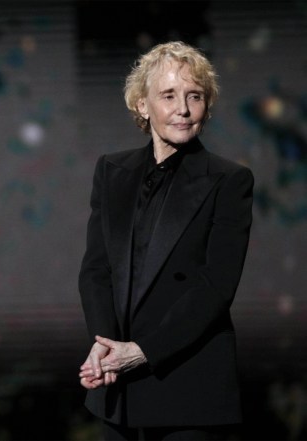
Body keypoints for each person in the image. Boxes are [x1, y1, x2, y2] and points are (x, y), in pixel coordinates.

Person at [77, 41, 254, 440]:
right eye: (169, 95)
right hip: (116, 392)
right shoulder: (112, 171)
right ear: (142, 105)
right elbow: (96, 269)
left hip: (185, 386)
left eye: (195, 96)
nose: (184, 109)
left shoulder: (229, 181)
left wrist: (142, 351)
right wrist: (105, 346)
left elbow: (216, 286)